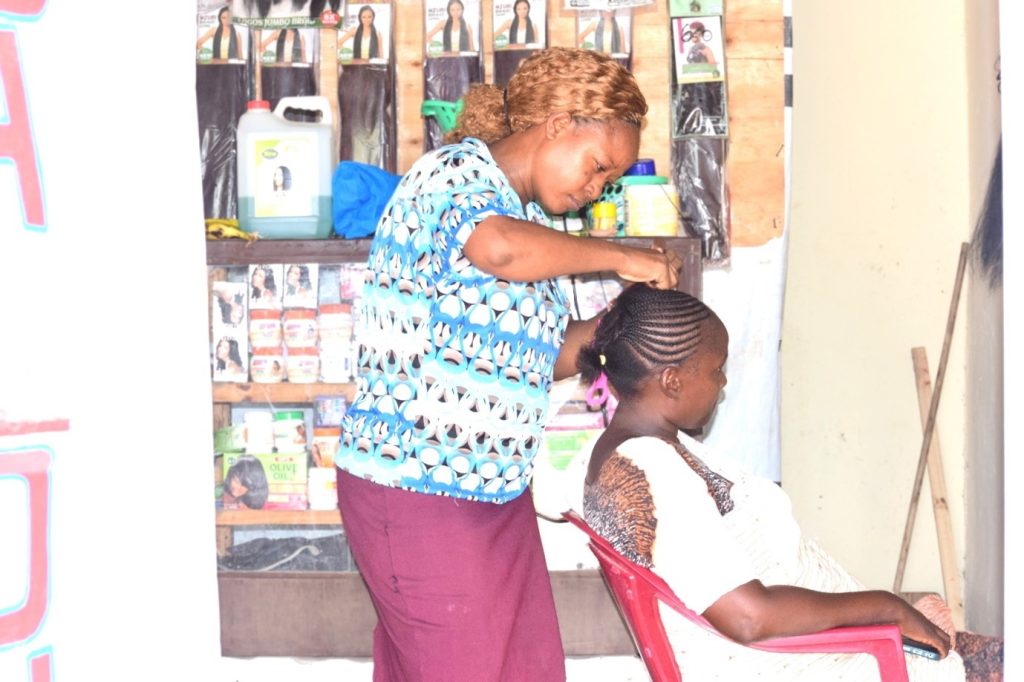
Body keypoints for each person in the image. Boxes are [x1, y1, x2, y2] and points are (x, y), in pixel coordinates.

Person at [334, 46, 686, 681]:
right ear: (557, 123)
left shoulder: (526, 217)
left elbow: (543, 353)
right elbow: (497, 248)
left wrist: (627, 322)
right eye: (597, 166)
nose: (594, 189)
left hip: (490, 490)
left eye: (607, 182)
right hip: (416, 485)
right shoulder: (452, 174)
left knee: (526, 670)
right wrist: (620, 255)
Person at [572, 284, 1003, 681]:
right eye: (717, 369)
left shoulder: (626, 447)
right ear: (672, 379)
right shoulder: (654, 469)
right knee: (997, 660)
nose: (722, 385)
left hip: (792, 649)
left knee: (981, 646)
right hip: (791, 661)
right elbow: (749, 617)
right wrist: (885, 607)